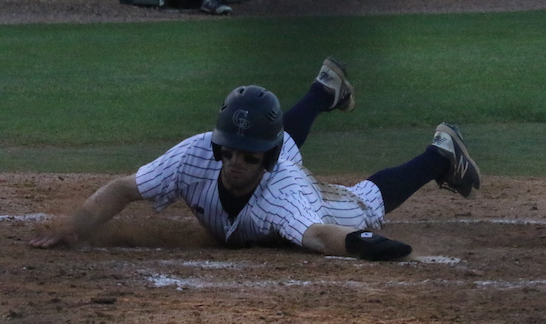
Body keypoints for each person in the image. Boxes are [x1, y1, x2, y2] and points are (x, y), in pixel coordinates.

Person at [29, 59, 482, 261]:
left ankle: (440, 154)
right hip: (274, 150)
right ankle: (324, 91)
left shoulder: (284, 195)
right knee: (267, 133)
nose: (236, 161)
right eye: (230, 150)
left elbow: (322, 235)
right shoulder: (195, 154)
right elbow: (124, 188)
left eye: (250, 156)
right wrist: (77, 225)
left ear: (267, 160)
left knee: (361, 202)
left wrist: (368, 245)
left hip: (319, 203)